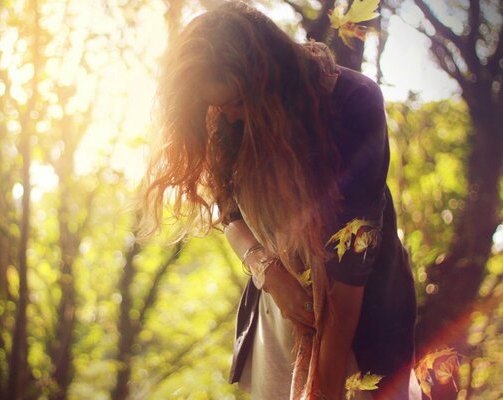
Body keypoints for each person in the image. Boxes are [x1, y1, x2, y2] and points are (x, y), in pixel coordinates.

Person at [140, 2, 420, 399]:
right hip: (279, 308)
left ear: (269, 80)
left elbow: (351, 264)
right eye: (216, 107)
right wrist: (268, 272)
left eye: (236, 102)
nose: (229, 117)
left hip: (359, 313)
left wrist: (322, 390)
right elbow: (229, 211)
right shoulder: (223, 116)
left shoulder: (355, 102)